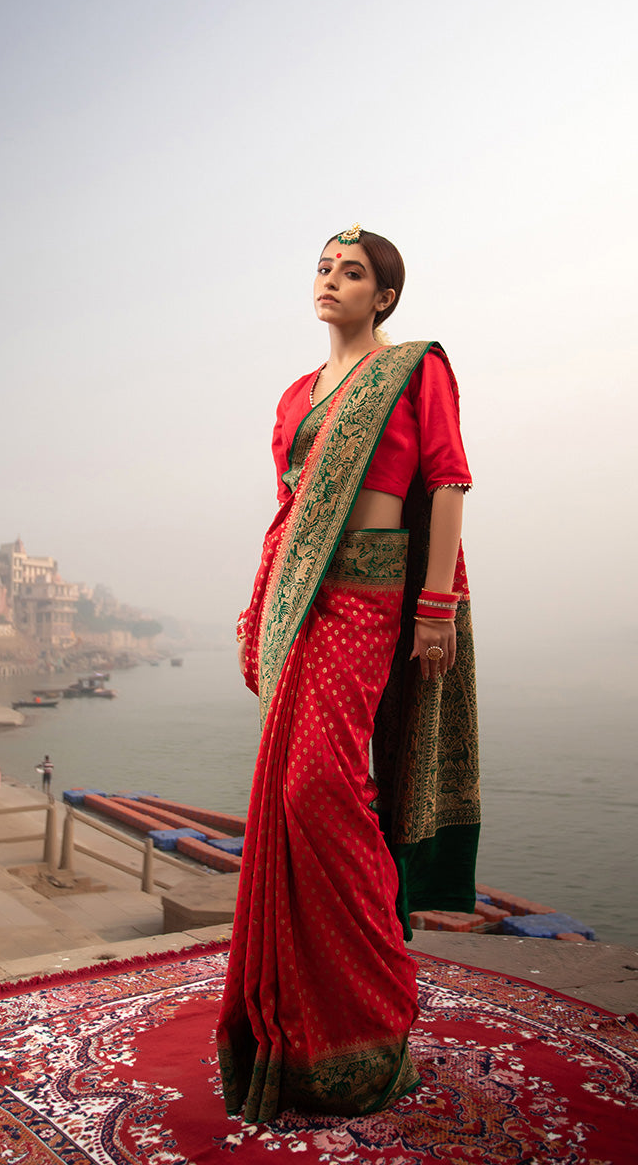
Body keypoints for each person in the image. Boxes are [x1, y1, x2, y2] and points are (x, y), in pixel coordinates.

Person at [216, 225, 480, 1123]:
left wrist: (435, 606)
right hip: (297, 598)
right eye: (325, 268)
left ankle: (377, 990)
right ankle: (304, 1027)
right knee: (289, 800)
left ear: (386, 297)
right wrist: (258, 615)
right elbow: (287, 516)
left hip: (370, 599)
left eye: (353, 271)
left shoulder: (415, 370)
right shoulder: (296, 397)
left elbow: (445, 482)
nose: (332, 280)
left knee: (319, 788)